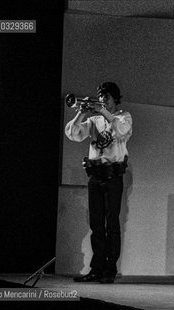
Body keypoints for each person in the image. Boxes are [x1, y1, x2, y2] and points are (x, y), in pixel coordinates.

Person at [65, 82, 132, 284]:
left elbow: (120, 130)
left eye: (106, 97)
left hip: (113, 177)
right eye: (101, 97)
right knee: (96, 225)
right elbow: (73, 134)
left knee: (112, 224)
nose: (103, 100)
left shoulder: (123, 117)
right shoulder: (94, 120)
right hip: (95, 176)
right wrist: (81, 113)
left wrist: (102, 111)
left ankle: (109, 270)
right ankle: (96, 268)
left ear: (115, 99)